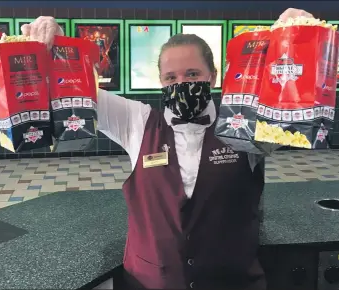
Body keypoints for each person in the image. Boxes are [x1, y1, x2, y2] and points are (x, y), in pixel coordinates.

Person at [23, 8, 313, 290]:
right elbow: (79, 90)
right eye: (171, 78)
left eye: (192, 74)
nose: (182, 84)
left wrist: (297, 36)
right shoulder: (138, 122)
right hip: (149, 282)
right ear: (161, 81)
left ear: (212, 76)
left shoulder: (243, 123)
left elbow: (293, 102)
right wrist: (56, 45)